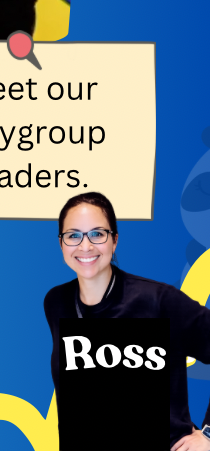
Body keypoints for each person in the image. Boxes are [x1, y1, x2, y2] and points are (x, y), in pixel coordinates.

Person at [44, 192, 210, 451]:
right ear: (61, 243)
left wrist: (209, 435)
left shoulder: (158, 300)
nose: (85, 246)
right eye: (73, 235)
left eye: (97, 234)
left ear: (114, 241)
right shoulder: (57, 302)